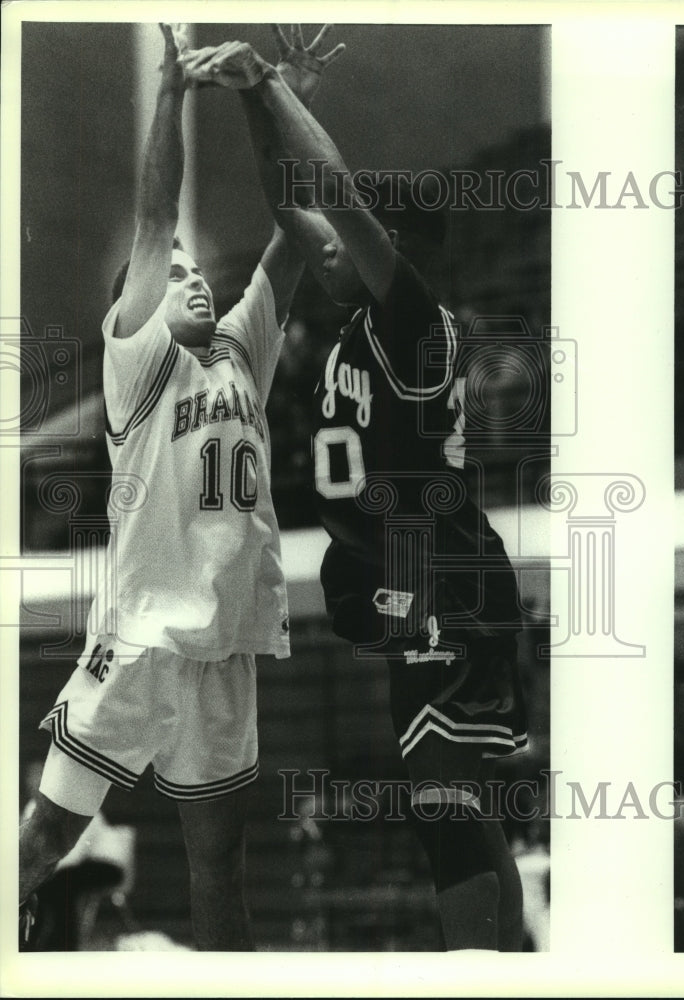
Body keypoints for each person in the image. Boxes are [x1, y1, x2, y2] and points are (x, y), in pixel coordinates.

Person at [184, 29, 529, 951]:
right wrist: (268, 101)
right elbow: (293, 200)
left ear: (396, 251)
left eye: (358, 239)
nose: (332, 245)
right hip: (407, 585)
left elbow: (330, 192)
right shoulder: (351, 324)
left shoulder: (413, 321)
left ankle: (479, 965)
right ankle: (509, 956)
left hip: (445, 581)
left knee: (441, 805)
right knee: (456, 806)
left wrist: (265, 80)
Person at [19, 22, 343, 951]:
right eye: (173, 275)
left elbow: (294, 234)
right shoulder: (139, 361)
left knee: (220, 872)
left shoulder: (244, 348)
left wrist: (286, 98)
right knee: (45, 837)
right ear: (136, 307)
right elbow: (156, 217)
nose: (193, 276)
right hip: (140, 635)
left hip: (225, 645)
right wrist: (169, 92)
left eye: (200, 271)